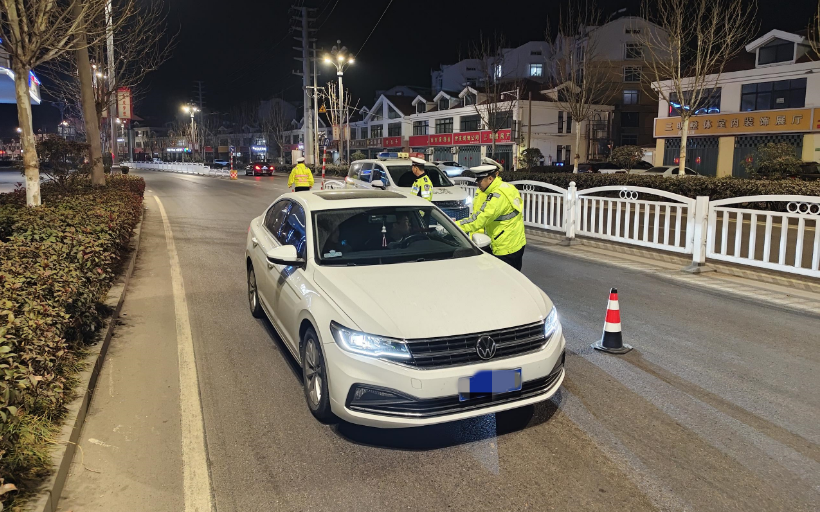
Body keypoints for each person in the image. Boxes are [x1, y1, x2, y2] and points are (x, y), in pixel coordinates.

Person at [458, 164, 526, 270]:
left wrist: (454, 226)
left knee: (503, 278)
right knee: (513, 276)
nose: (477, 184)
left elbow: (479, 219)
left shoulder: (497, 197)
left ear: (490, 178)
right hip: (516, 242)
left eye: (480, 180)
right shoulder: (506, 187)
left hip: (505, 246)